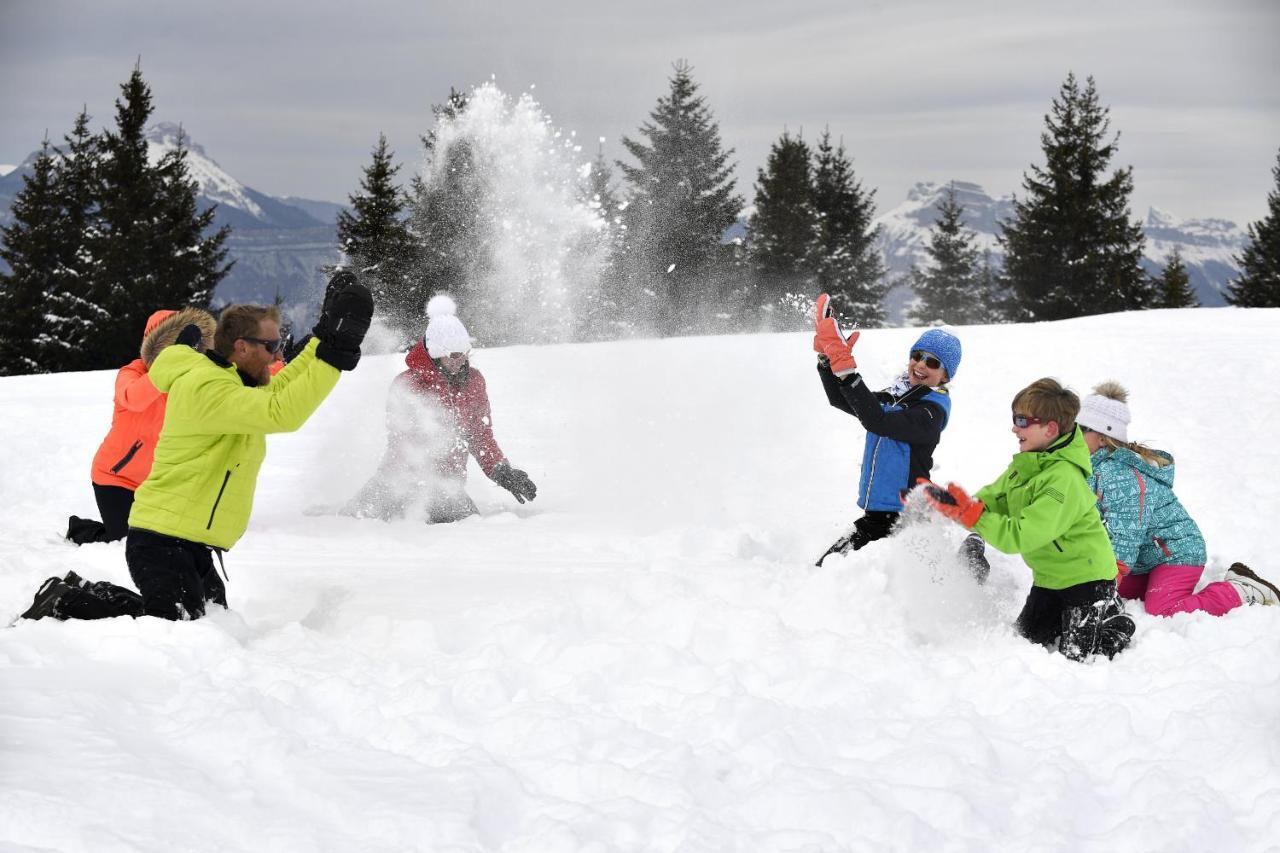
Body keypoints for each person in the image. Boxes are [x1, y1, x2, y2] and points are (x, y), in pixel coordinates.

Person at [19, 273, 374, 622]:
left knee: (212, 622)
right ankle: (64, 602)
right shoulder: (207, 390)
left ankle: (82, 590)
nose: (277, 355)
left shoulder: (226, 381)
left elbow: (279, 390)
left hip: (189, 540)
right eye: (270, 348)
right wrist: (333, 353)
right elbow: (281, 411)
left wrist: (323, 339)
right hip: (162, 539)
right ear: (241, 347)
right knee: (174, 624)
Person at [921, 377, 1135, 661]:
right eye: (1014, 418)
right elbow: (993, 500)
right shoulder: (1027, 463)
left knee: (1077, 656)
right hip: (1049, 579)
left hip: (1088, 580)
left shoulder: (1063, 480)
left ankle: (1116, 623)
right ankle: (1071, 618)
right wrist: (955, 507)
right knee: (1026, 641)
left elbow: (1019, 535)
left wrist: (973, 516)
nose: (1014, 427)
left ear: (1050, 429)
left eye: (1022, 421)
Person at [1079, 381, 1279, 612]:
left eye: (1083, 429)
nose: (1074, 434)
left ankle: (1242, 589)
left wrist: (1106, 582)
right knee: (1086, 587)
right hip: (1145, 559)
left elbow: (1126, 534)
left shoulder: (1121, 476)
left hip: (1175, 553)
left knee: (1162, 608)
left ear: (1104, 437)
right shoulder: (1092, 467)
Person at [342, 294, 536, 523]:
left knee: (471, 527)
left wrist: (501, 471)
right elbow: (401, 441)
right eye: (452, 355)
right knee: (349, 520)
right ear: (435, 353)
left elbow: (479, 434)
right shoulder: (407, 385)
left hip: (446, 486)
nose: (460, 360)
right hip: (397, 481)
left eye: (464, 353)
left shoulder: (474, 382)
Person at [813, 293, 966, 567]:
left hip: (903, 516)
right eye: (917, 356)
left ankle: (964, 560)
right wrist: (828, 362)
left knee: (831, 569)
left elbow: (877, 422)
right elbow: (843, 400)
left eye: (932, 362)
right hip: (879, 512)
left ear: (945, 376)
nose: (920, 364)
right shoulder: (897, 397)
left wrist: (847, 371)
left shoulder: (931, 411)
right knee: (832, 568)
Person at [66, 308, 216, 544]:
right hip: (115, 478)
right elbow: (134, 398)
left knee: (163, 540)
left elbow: (238, 384)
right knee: (123, 540)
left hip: (158, 483)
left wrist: (278, 363)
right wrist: (174, 362)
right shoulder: (132, 374)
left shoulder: (188, 382)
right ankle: (80, 530)